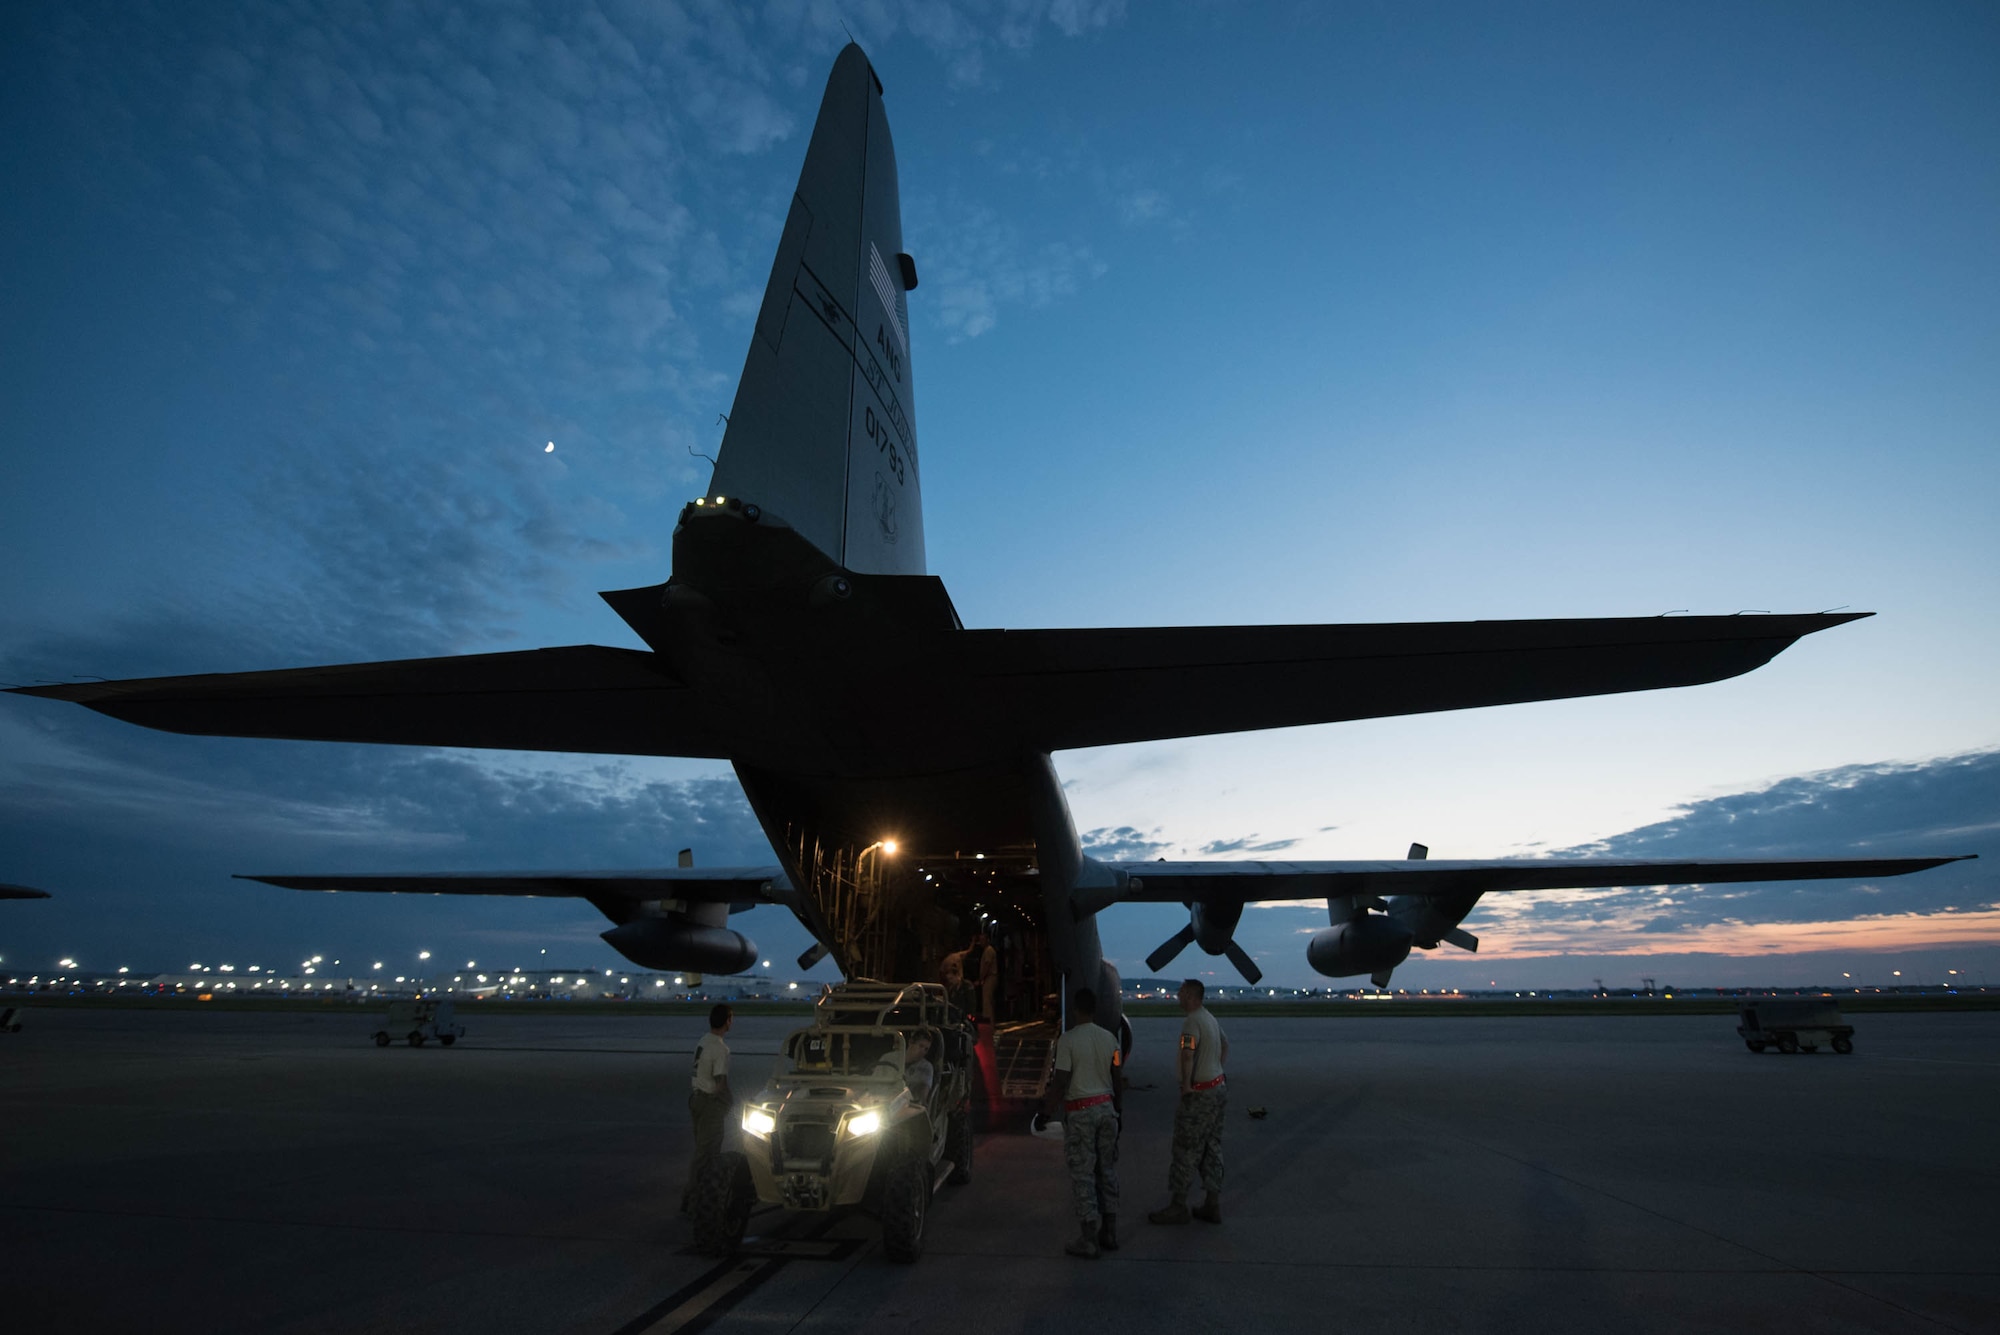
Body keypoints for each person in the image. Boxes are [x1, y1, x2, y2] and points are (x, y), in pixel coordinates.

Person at [1046, 987, 1123, 1258]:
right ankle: (1110, 1232)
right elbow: (1117, 1076)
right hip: (1106, 1110)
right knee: (1107, 1171)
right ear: (1095, 1010)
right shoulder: (1111, 1039)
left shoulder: (1068, 1040)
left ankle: (1088, 1238)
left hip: (1081, 1112)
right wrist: (1118, 1111)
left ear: (1076, 1010)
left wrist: (1046, 1112)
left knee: (1083, 1174)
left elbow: (1061, 1080)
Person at [1148, 979, 1227, 1226]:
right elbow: (1225, 1044)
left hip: (1200, 1094)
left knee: (1185, 1148)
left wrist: (1187, 1086)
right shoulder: (1210, 1018)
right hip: (1217, 1089)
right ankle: (1212, 1203)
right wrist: (1215, 1069)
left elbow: (1187, 1054)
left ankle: (1178, 1206)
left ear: (1191, 995)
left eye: (1181, 993)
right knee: (1211, 1146)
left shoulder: (1192, 1021)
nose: (1178, 997)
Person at [683, 1003, 734, 1216]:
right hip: (709, 1103)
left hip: (696, 1099)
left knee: (701, 1151)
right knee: (707, 1155)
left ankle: (694, 1198)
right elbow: (720, 1081)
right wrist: (729, 1102)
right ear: (727, 1021)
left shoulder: (703, 1041)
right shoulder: (721, 1048)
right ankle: (692, 1202)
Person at [968, 931, 998, 1020]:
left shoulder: (989, 950)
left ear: (987, 940)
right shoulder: (986, 951)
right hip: (988, 977)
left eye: (983, 940)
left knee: (987, 1003)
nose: (981, 942)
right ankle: (989, 1025)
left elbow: (987, 965)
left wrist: (981, 979)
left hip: (990, 977)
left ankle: (988, 1026)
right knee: (988, 1002)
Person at [903, 1032, 936, 1104]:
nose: (922, 1051)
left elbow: (923, 1090)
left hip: (907, 1105)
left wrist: (921, 1101)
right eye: (921, 1046)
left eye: (926, 1049)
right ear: (911, 1042)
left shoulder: (926, 1067)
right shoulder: (890, 1058)